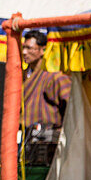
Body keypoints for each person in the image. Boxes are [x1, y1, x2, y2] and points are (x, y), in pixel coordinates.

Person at [20, 30, 71, 164]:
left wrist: (62, 130)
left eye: (29, 48)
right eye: (23, 48)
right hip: (24, 140)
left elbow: (71, 105)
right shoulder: (20, 76)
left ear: (43, 50)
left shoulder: (55, 76)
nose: (24, 52)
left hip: (48, 142)